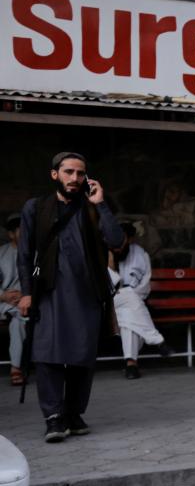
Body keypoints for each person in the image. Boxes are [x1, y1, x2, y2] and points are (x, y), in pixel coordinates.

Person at [17, 151, 125, 442]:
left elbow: (116, 241)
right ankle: (54, 418)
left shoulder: (93, 206)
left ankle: (74, 413)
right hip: (48, 292)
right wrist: (26, 292)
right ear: (55, 174)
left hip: (87, 293)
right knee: (48, 355)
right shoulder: (35, 207)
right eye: (68, 172)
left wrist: (101, 205)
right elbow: (24, 254)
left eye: (80, 173)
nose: (75, 178)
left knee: (81, 356)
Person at [108, 222, 171, 379]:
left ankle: (131, 365)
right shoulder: (104, 252)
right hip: (108, 304)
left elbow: (145, 284)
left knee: (129, 318)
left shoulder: (141, 254)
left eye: (122, 241)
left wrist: (132, 294)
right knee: (130, 299)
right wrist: (109, 258)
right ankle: (156, 339)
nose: (119, 246)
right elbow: (108, 286)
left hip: (132, 304)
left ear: (129, 239)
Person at [1, 215, 27, 386]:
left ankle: (15, 367)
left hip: (23, 303)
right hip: (2, 301)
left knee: (19, 321)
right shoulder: (1, 254)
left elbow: (38, 276)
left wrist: (26, 294)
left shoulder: (36, 257)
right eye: (21, 230)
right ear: (11, 234)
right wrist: (3, 295)